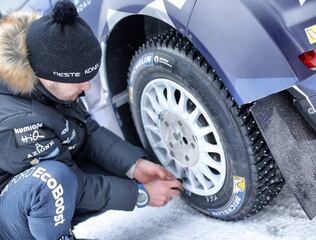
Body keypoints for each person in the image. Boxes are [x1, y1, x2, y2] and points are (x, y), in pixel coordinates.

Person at [0, 1, 183, 239]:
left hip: (27, 194)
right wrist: (141, 194)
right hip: (7, 215)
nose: (86, 87)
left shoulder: (49, 80)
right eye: (80, 80)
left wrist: (133, 166)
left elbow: (86, 128)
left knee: (104, 171)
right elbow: (76, 186)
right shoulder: (17, 120)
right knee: (53, 182)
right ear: (49, 77)